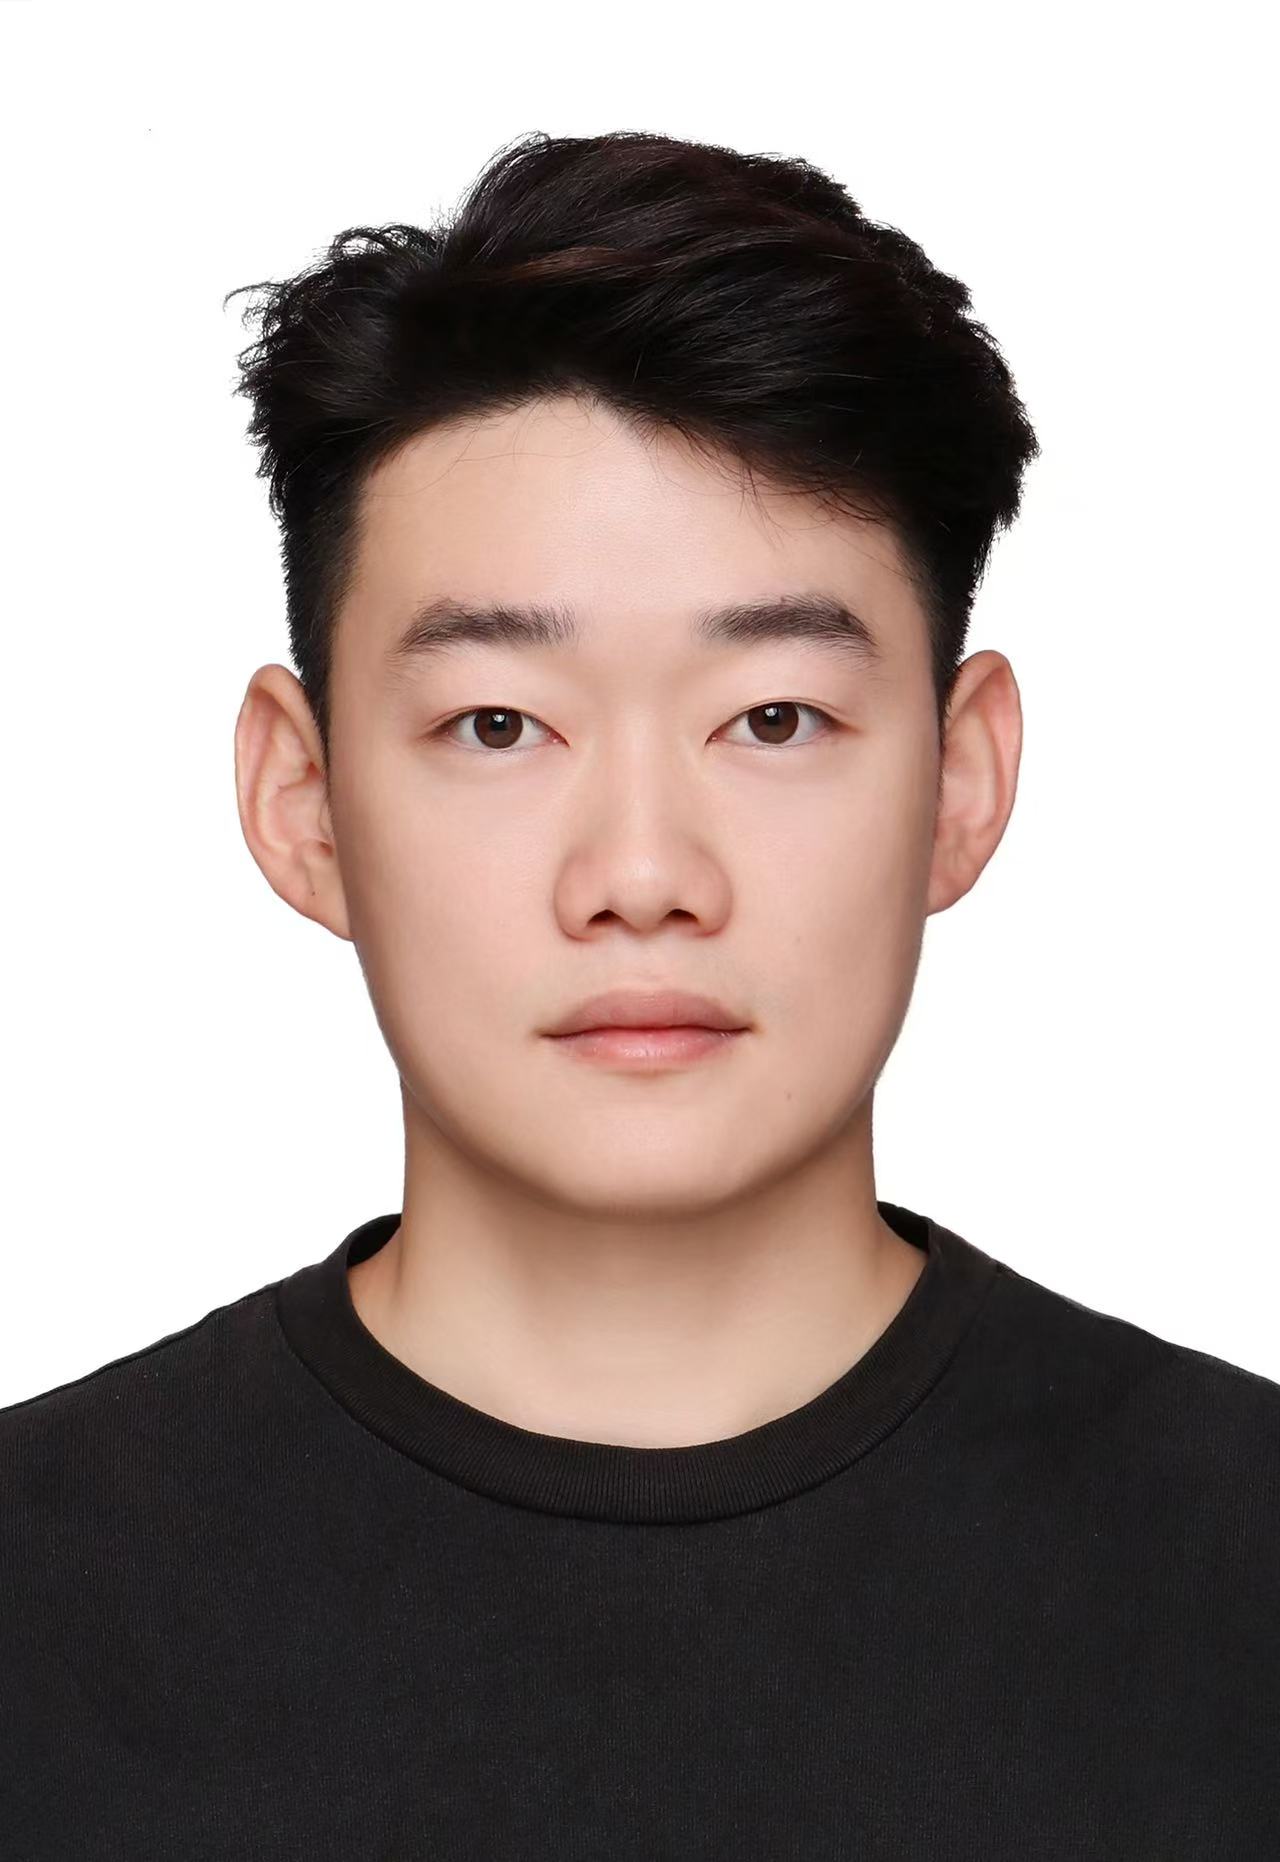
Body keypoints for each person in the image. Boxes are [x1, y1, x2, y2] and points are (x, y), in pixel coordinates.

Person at [3, 128, 1276, 1857]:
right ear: (302, 801)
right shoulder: (41, 1595)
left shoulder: (1238, 1566)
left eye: (773, 718)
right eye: (498, 724)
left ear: (961, 779)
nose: (642, 869)